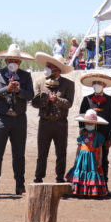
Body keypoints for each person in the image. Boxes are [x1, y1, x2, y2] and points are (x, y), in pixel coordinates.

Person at [0, 44, 34, 197]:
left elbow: (30, 95)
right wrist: (6, 89)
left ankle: (20, 185)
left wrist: (19, 90)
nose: (13, 61)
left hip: (19, 119)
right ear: (6, 60)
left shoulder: (26, 76)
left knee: (19, 154)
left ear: (20, 62)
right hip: (0, 118)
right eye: (10, 59)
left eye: (16, 59)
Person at [32, 52, 75, 184]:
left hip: (61, 123)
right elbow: (35, 103)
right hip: (44, 123)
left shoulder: (68, 84)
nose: (48, 67)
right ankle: (38, 178)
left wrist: (57, 100)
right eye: (47, 65)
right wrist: (45, 99)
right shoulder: (39, 82)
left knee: (61, 153)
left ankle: (59, 178)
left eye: (51, 65)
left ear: (58, 68)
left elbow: (69, 103)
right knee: (42, 153)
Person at [78, 73, 111, 183]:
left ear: (104, 85)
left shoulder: (110, 100)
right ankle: (86, 183)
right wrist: (82, 131)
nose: (97, 85)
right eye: (94, 83)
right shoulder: (87, 99)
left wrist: (110, 138)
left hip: (104, 134)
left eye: (99, 83)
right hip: (88, 134)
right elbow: (81, 116)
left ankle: (104, 183)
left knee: (103, 159)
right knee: (88, 157)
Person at [65, 109, 109, 198]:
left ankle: (90, 191)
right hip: (81, 157)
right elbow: (79, 147)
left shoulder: (98, 136)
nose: (89, 125)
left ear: (95, 124)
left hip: (92, 158)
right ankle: (78, 190)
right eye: (87, 123)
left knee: (91, 172)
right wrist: (76, 158)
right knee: (80, 171)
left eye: (91, 123)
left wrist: (100, 159)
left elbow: (100, 148)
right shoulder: (82, 135)